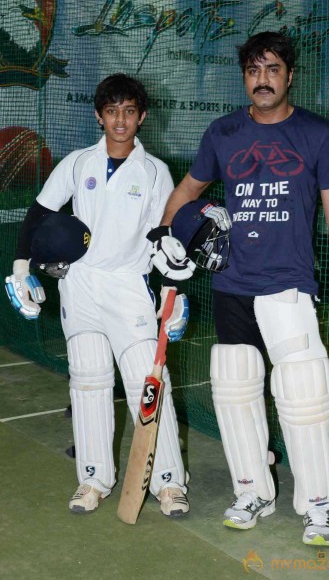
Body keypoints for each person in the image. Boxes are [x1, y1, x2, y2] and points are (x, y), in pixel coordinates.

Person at [147, 32, 329, 546]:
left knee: (306, 394)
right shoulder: (223, 132)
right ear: (244, 78)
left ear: (290, 75)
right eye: (252, 70)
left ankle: (317, 504)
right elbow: (187, 190)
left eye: (271, 69)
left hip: (287, 285)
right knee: (233, 388)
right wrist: (164, 237)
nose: (261, 79)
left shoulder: (317, 134)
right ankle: (252, 489)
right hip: (232, 284)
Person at [5, 73, 193, 517]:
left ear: (142, 117)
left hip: (130, 287)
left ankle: (168, 483)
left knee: (148, 384)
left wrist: (173, 293)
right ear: (99, 115)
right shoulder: (77, 163)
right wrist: (19, 268)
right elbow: (39, 212)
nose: (120, 121)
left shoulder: (154, 173)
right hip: (81, 285)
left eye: (129, 112)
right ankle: (92, 481)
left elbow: (165, 238)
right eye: (112, 112)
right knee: (88, 383)